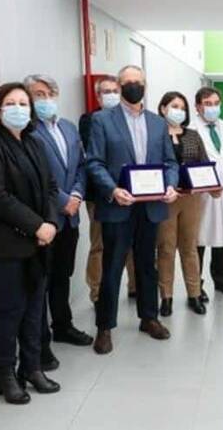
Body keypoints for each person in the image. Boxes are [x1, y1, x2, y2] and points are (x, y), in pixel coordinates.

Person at [0, 82, 61, 404]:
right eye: (11, 103)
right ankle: (6, 374)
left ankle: (32, 367)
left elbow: (51, 188)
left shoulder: (34, 143)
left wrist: (51, 223)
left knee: (35, 309)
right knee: (11, 309)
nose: (19, 108)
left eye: (24, 103)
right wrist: (38, 226)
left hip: (39, 242)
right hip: (3, 245)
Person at [87, 65, 179, 355]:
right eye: (127, 82)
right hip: (119, 205)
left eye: (137, 82)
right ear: (119, 85)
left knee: (147, 264)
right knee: (113, 266)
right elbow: (94, 162)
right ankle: (104, 327)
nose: (133, 86)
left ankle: (149, 318)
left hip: (150, 206)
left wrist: (170, 185)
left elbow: (170, 162)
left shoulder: (157, 123)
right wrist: (113, 190)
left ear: (145, 85)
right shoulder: (102, 120)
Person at [24, 75, 94, 369]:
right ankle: (40, 343)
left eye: (50, 93)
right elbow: (35, 176)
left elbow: (80, 166)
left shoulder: (68, 127)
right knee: (40, 281)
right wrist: (63, 199)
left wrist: (76, 194)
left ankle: (63, 326)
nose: (46, 99)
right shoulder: (27, 131)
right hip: (45, 219)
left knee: (63, 275)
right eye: (39, 94)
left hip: (70, 218)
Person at [78, 76, 137, 303]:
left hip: (130, 192)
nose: (111, 95)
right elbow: (96, 156)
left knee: (132, 242)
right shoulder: (90, 120)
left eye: (115, 90)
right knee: (99, 245)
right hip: (100, 193)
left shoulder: (130, 118)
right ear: (98, 96)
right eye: (106, 91)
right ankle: (97, 292)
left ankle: (135, 287)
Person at [155, 91, 212, 316]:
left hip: (191, 199)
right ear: (163, 109)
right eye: (174, 106)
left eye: (182, 107)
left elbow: (204, 163)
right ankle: (166, 297)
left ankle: (194, 294)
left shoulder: (193, 136)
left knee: (189, 247)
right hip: (165, 200)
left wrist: (211, 184)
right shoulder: (155, 134)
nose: (179, 111)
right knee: (166, 248)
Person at [193, 87, 223, 299]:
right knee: (199, 238)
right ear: (198, 106)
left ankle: (221, 281)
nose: (213, 107)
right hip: (201, 193)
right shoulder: (191, 129)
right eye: (207, 103)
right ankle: (196, 285)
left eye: (216, 103)